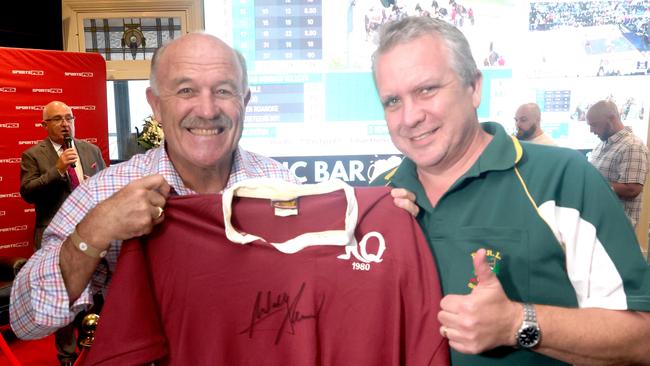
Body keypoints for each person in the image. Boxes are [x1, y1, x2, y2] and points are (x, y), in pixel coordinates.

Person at [370, 16, 650, 365]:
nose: (409, 116)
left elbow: (642, 338)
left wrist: (518, 323)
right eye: (392, 101)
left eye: (426, 89)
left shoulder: (562, 178)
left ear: (474, 88)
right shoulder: (376, 200)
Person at [10, 32, 299, 358]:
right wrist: (95, 231)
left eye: (223, 90)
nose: (206, 109)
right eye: (186, 90)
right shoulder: (105, 192)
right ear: (156, 106)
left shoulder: (281, 185)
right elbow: (26, 318)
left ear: (244, 103)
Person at [19, 100, 107, 365]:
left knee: (94, 293)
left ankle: (93, 346)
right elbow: (28, 193)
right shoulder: (33, 155)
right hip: (55, 238)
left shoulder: (90, 151)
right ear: (45, 125)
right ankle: (67, 357)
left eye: (69, 117)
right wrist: (57, 169)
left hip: (91, 234)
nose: (65, 123)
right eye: (57, 119)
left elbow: (107, 187)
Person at [586, 100, 649, 228]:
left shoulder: (632, 146)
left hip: (617, 228)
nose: (591, 130)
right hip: (599, 223)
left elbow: (632, 189)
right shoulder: (601, 145)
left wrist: (592, 184)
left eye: (594, 125)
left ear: (611, 119)